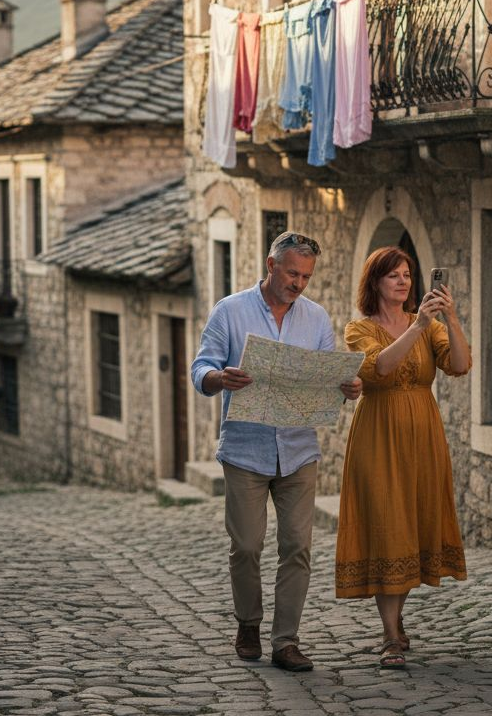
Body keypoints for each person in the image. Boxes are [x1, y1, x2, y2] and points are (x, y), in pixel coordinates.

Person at [191, 231, 363, 673]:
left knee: (298, 547)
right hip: (245, 450)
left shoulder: (316, 318)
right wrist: (219, 378)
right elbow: (200, 368)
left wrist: (346, 387)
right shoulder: (230, 311)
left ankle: (286, 641)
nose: (299, 283)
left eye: (306, 276)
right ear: (271, 266)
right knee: (247, 546)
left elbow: (327, 377)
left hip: (299, 450)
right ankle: (248, 624)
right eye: (292, 274)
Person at [334, 246, 471, 669]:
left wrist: (450, 318)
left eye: (407, 274)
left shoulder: (429, 325)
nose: (403, 281)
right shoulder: (359, 329)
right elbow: (380, 367)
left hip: (424, 437)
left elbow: (460, 365)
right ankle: (391, 635)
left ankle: (396, 620)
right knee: (388, 526)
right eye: (393, 275)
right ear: (374, 282)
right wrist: (419, 327)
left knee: (413, 526)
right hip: (378, 437)